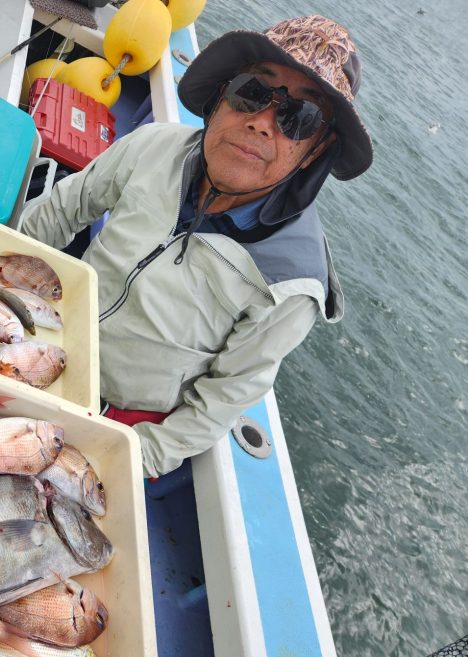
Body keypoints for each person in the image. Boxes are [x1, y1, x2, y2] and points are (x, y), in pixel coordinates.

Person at [20, 16, 373, 477]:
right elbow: (55, 216)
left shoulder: (293, 283)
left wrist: (121, 460)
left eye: (298, 118)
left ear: (316, 149)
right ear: (222, 94)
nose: (263, 123)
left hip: (112, 413)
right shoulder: (150, 146)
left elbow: (219, 402)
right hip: (40, 340)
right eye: (252, 91)